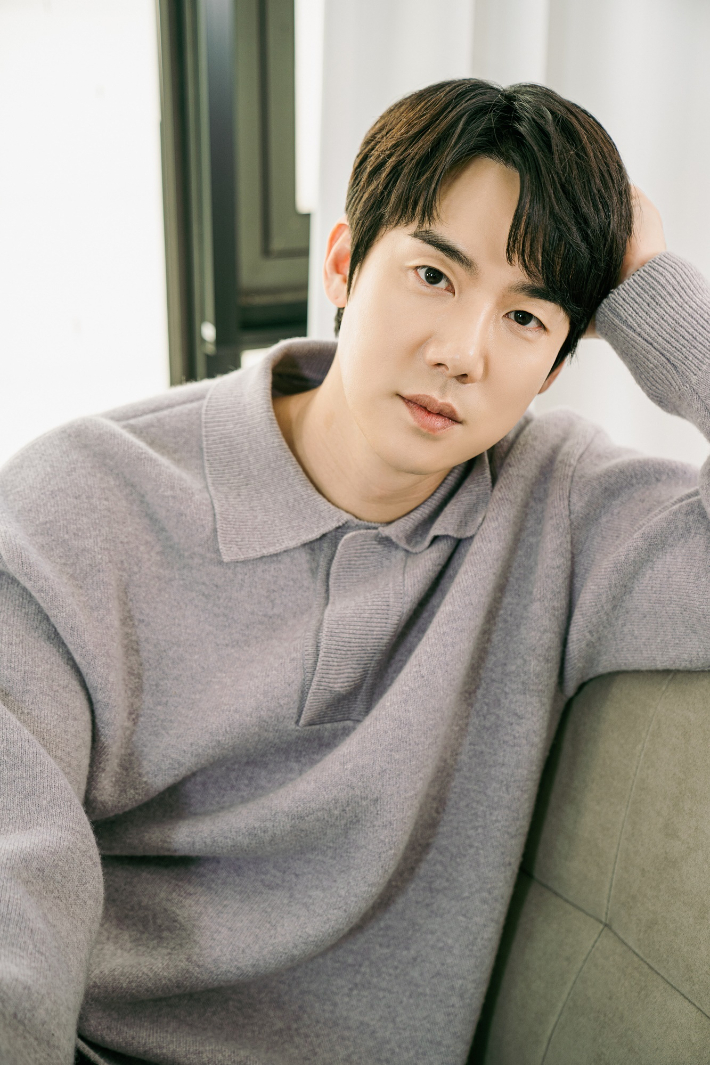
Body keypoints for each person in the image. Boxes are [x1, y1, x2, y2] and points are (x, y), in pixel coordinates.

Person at [1, 78, 708, 1065]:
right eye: (433, 275)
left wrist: (654, 296)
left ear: (555, 366)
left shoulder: (564, 519)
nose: (461, 353)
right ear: (342, 264)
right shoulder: (74, 506)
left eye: (525, 319)